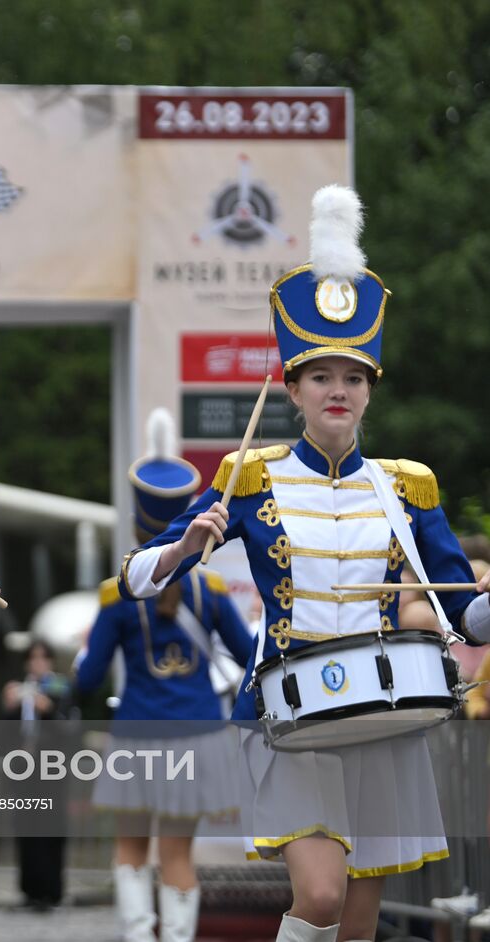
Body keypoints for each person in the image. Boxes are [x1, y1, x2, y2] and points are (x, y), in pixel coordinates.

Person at [117, 186, 490, 942]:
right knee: (317, 898)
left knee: (355, 923)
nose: (339, 391)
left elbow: (463, 613)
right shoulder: (249, 476)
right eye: (321, 376)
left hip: (385, 715)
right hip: (296, 714)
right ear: (292, 388)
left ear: (369, 390)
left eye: (353, 378)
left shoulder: (405, 487)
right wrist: (187, 548)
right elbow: (132, 576)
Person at [75, 408, 256, 942]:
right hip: (200, 734)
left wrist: (72, 675)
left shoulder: (117, 595)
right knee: (178, 853)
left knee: (131, 849)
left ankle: (138, 936)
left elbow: (87, 680)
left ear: (137, 525)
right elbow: (250, 657)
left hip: (137, 735)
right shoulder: (217, 592)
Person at [2, 639, 76, 913]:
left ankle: (52, 890)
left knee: (51, 828)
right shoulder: (20, 690)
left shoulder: (60, 689)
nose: (38, 663)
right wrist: (8, 706)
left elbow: (69, 728)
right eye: (33, 658)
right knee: (25, 827)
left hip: (52, 769)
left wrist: (50, 710)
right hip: (24, 768)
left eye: (43, 658)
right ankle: (30, 889)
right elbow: (6, 732)